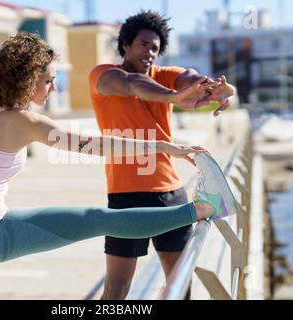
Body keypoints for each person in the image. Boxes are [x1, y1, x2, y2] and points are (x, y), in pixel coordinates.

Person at [0, 32, 234, 300]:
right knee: (98, 219)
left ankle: (202, 208)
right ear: (27, 79)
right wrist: (163, 146)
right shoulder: (26, 122)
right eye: (48, 80)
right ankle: (204, 208)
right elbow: (99, 146)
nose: (54, 87)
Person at [89, 10, 236, 300]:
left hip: (171, 194)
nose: (150, 52)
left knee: (179, 284)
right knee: (116, 289)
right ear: (126, 45)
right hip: (126, 197)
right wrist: (174, 98)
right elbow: (132, 85)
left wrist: (218, 90)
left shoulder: (166, 76)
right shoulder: (104, 75)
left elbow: (191, 79)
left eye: (155, 47)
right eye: (144, 44)